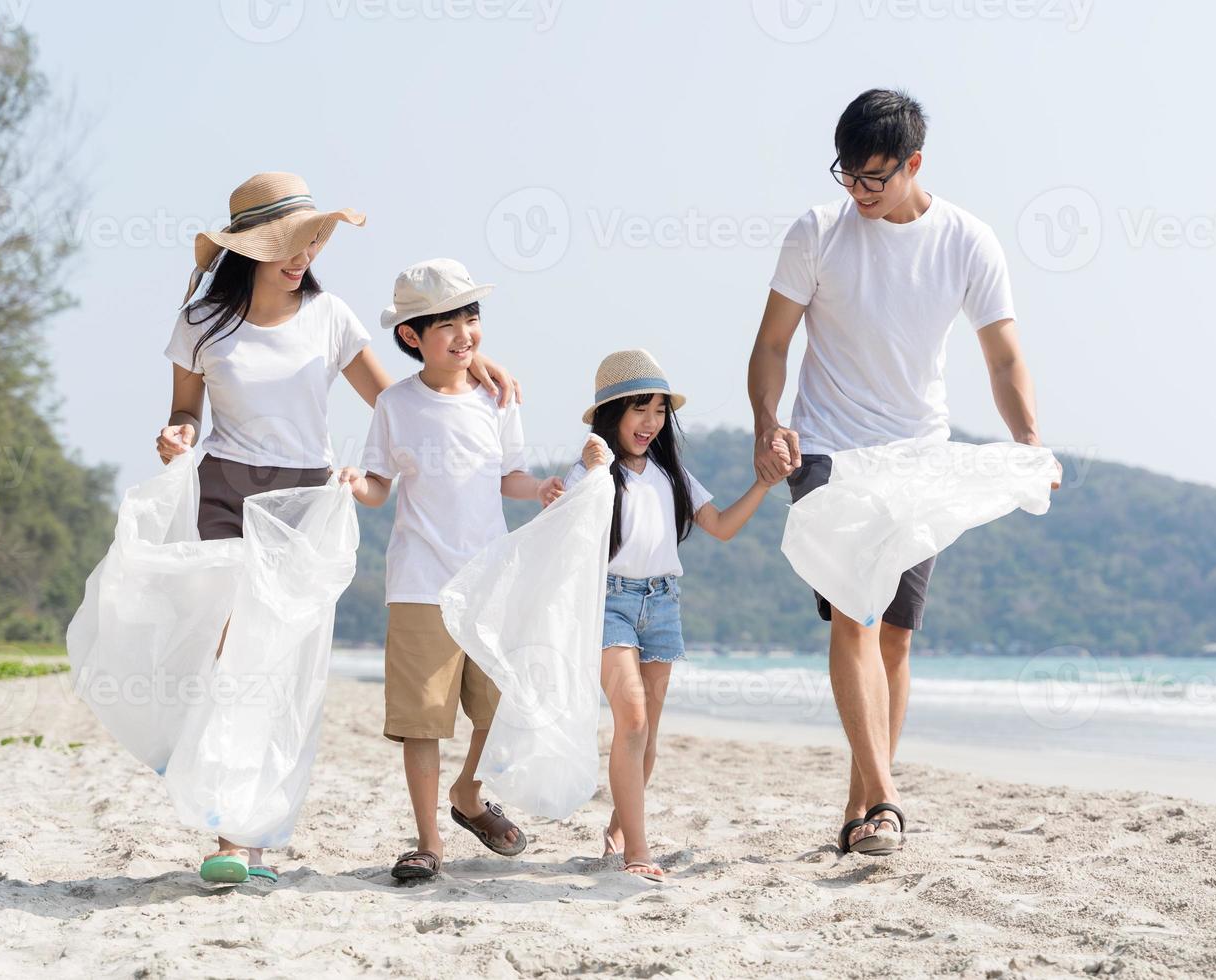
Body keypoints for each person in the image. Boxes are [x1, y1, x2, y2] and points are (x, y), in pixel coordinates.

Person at [156, 175, 518, 884]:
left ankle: (251, 836)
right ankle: (229, 836)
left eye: (315, 240)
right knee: (237, 665)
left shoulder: (330, 317)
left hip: (306, 502)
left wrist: (467, 361)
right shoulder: (201, 323)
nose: (307, 255)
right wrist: (176, 435)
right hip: (225, 495)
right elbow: (186, 412)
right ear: (250, 248)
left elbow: (401, 401)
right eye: (293, 243)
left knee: (282, 668)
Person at [747, 90, 1059, 856]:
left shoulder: (967, 241)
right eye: (846, 175)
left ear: (914, 164)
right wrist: (767, 420)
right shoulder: (817, 232)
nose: (856, 192)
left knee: (896, 638)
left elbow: (1003, 353)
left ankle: (860, 811)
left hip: (918, 455)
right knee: (854, 614)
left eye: (873, 179)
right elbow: (773, 344)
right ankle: (887, 797)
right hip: (827, 448)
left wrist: (1028, 440)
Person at [344, 258, 556, 881]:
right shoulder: (394, 405)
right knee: (422, 720)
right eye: (448, 324)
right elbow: (381, 485)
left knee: (500, 708)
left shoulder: (497, 397)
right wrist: (359, 484)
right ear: (412, 336)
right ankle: (429, 842)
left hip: (489, 581)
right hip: (418, 583)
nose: (465, 334)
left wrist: (542, 485)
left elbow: (508, 475)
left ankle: (468, 793)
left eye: (472, 317)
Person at [542, 349, 784, 880]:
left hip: (663, 603)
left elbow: (720, 525)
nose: (650, 422)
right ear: (612, 414)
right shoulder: (594, 470)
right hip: (609, 602)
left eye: (658, 411)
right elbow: (563, 524)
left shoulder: (672, 474)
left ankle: (618, 828)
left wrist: (765, 484)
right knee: (630, 716)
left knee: (646, 731)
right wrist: (586, 470)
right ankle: (638, 853)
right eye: (638, 410)